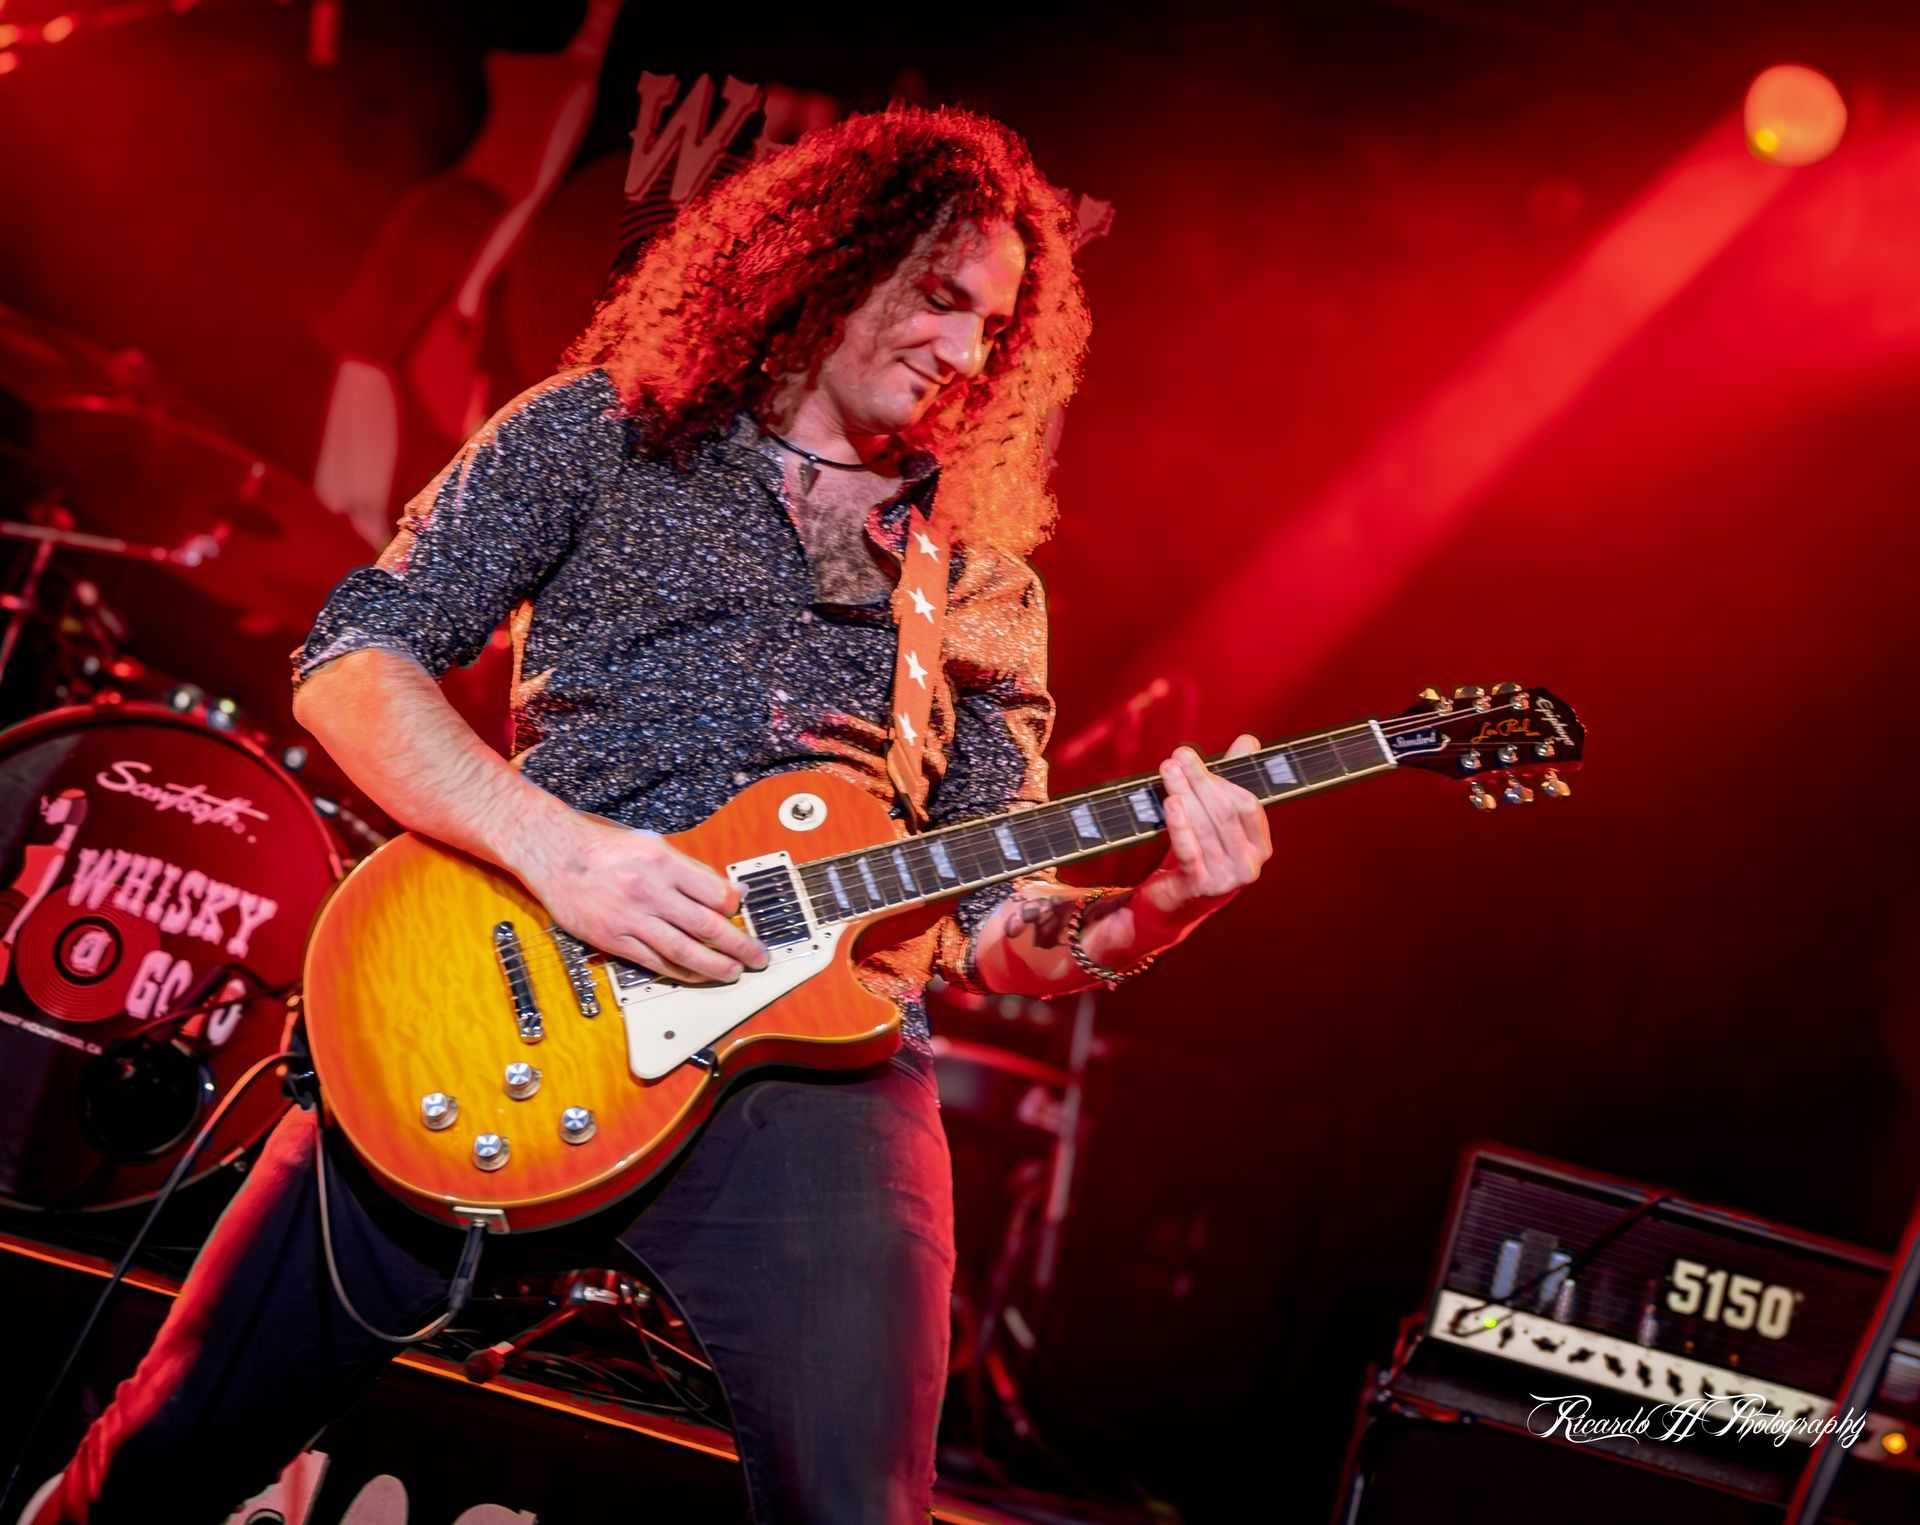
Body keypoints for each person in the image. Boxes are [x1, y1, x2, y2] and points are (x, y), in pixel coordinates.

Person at [30, 105, 1271, 1525]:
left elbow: (994, 930)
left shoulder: (980, 585)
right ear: (829, 260)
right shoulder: (598, 438)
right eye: (940, 300)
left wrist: (1166, 907)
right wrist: (566, 855)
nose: (965, 353)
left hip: (816, 1076)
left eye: (993, 331)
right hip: (498, 992)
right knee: (161, 1456)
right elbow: (350, 662)